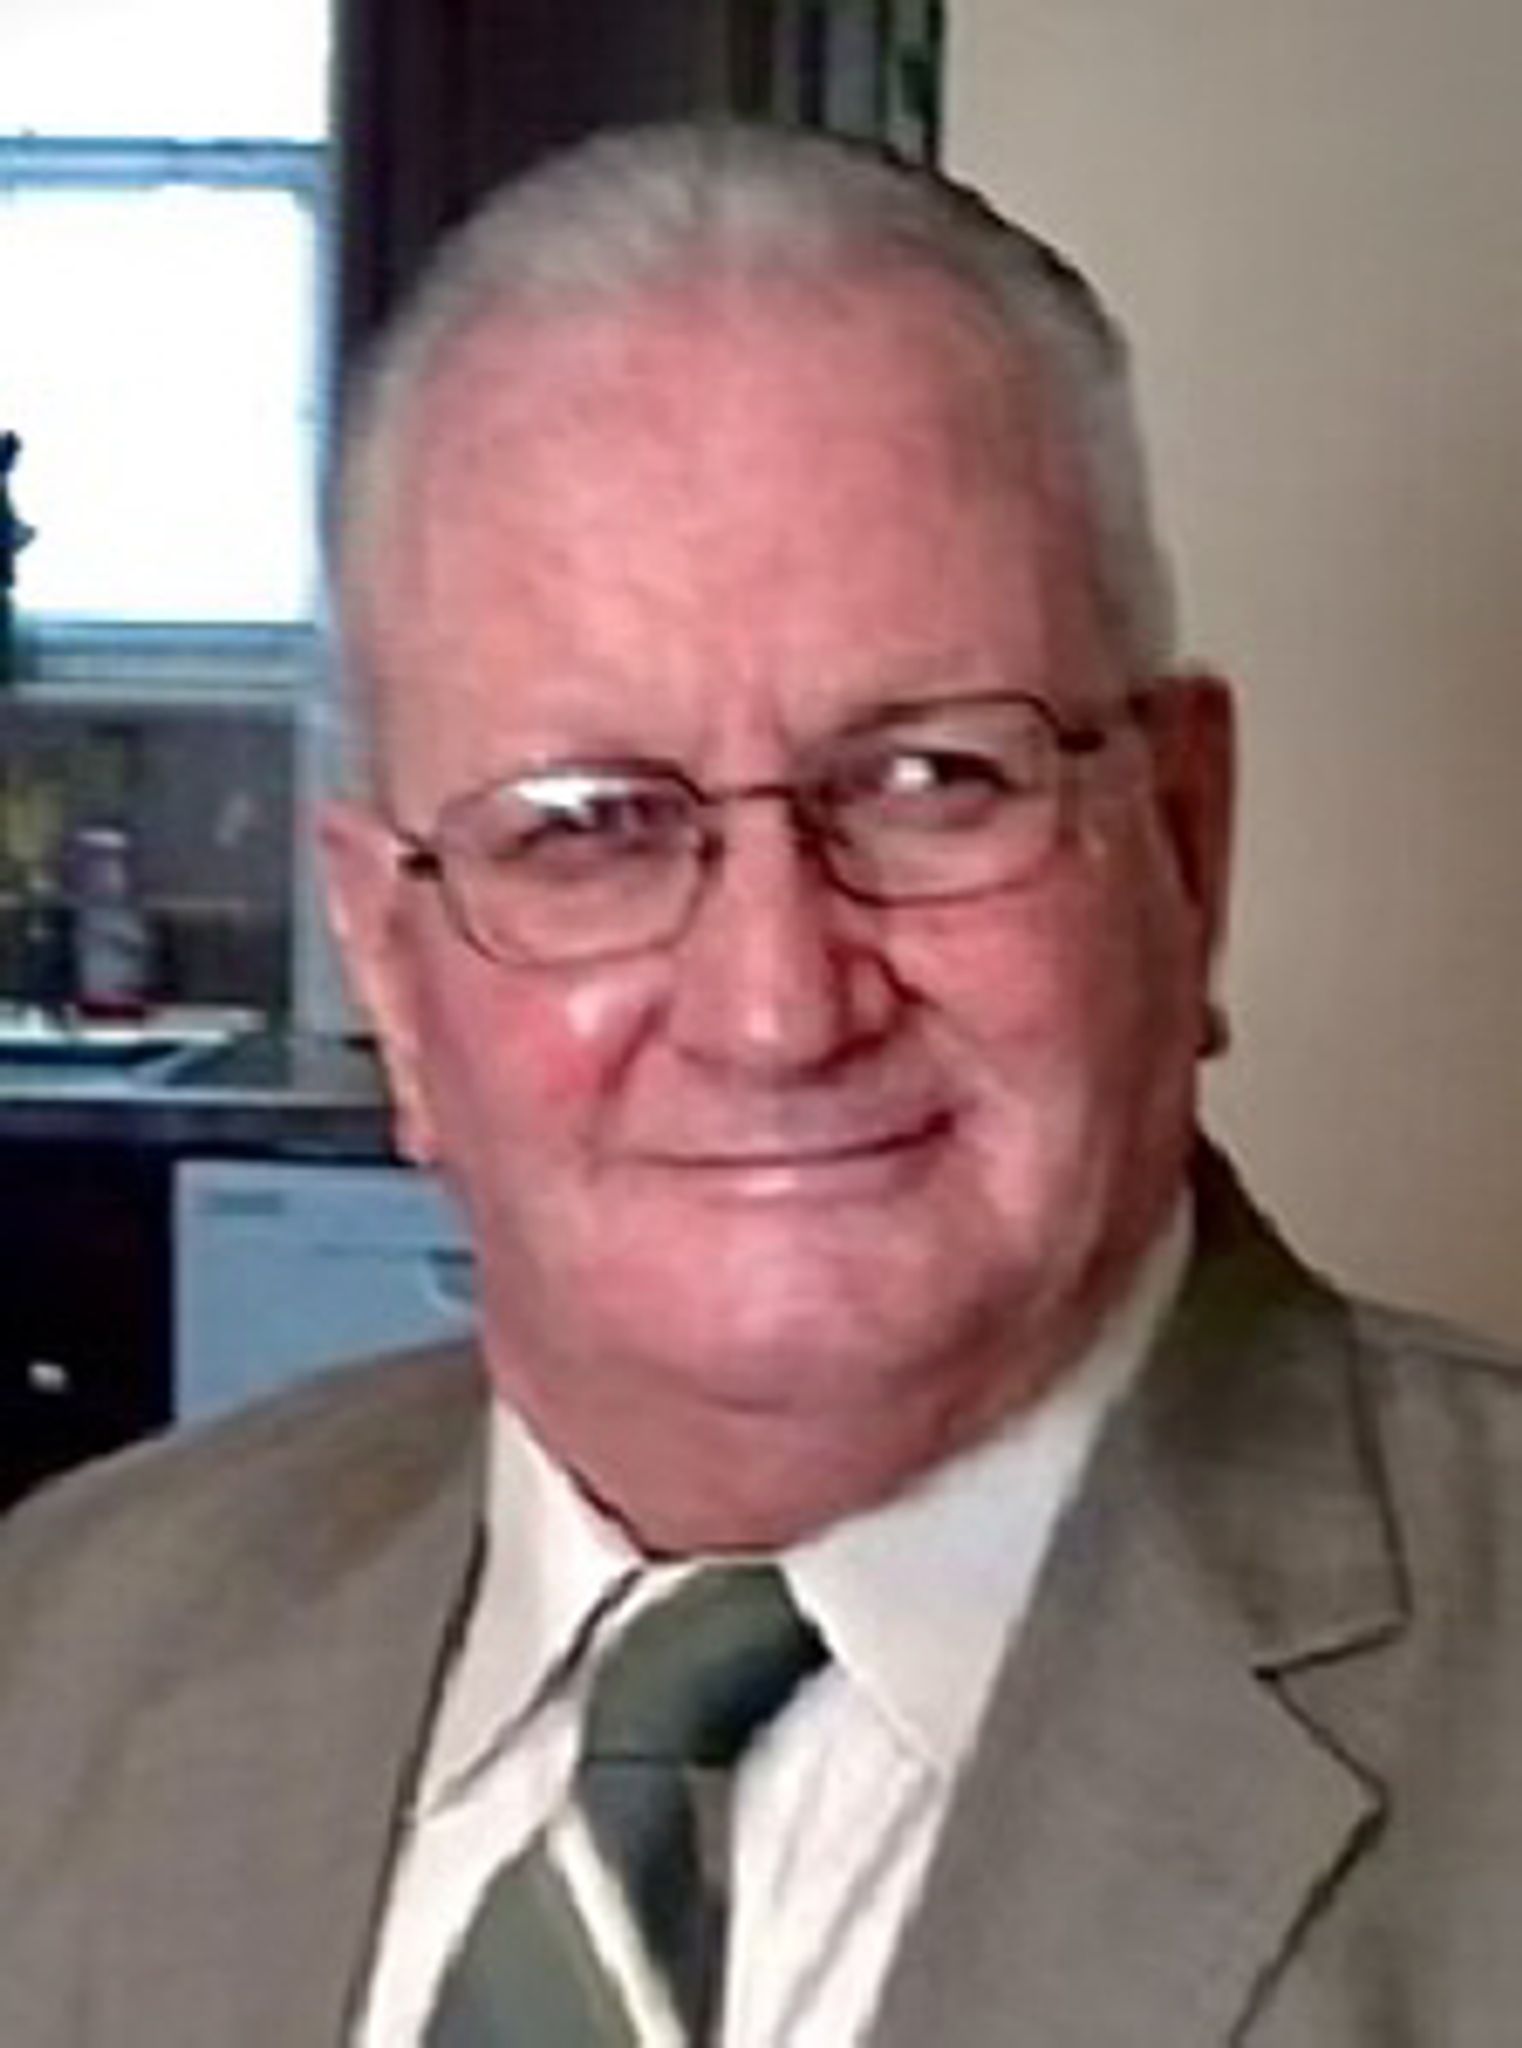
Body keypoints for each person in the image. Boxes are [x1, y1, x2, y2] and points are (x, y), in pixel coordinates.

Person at [2, 122, 1521, 2048]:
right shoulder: (59, 1649)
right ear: (390, 963)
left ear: (1184, 844)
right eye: (584, 826)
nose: (776, 1006)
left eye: (930, 780)